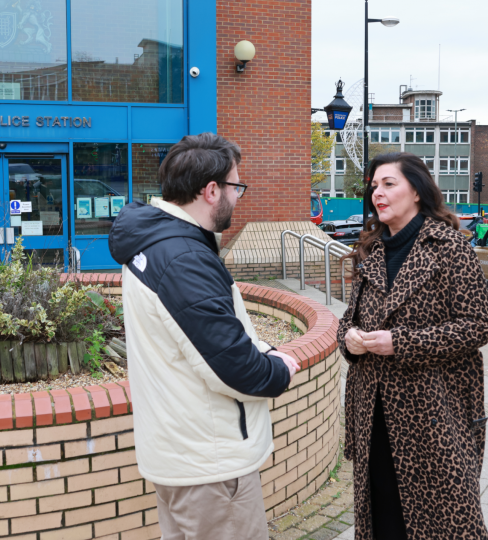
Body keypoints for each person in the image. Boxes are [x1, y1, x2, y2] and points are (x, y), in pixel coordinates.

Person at [108, 132, 301, 540]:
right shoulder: (183, 258)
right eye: (236, 186)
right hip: (211, 467)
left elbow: (195, 341)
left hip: (182, 454)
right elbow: (233, 367)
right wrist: (279, 368)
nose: (238, 196)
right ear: (211, 191)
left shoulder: (154, 244)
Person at [338, 152, 488, 540]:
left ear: (418, 192)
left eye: (389, 184)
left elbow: (478, 326)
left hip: (434, 414)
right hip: (373, 412)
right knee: (383, 515)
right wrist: (350, 339)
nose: (378, 193)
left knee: (446, 520)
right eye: (374, 185)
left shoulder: (450, 248)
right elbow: (348, 318)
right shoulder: (370, 249)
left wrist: (402, 343)